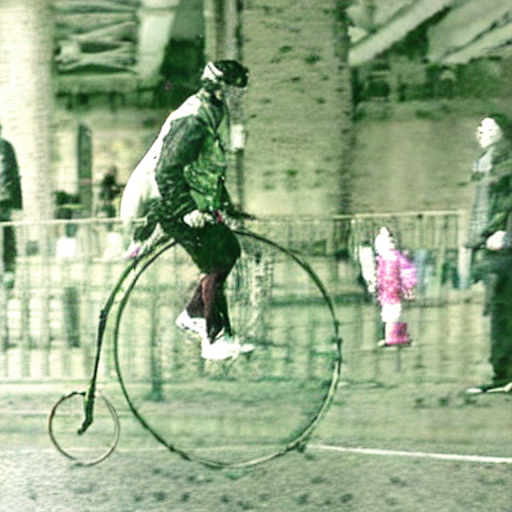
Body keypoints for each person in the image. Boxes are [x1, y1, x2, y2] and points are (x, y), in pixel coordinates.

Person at [122, 60, 253, 361]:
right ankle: (214, 337)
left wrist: (227, 207)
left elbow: (208, 170)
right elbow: (166, 170)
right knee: (216, 261)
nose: (239, 98)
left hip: (193, 204)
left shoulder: (215, 113)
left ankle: (194, 315)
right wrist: (186, 209)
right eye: (235, 90)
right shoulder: (194, 119)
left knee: (229, 251)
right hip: (172, 206)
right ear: (218, 88)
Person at [465, 114, 512, 394]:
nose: (482, 131)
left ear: (504, 132)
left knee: (504, 310)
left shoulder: (507, 163)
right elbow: (481, 209)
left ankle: (504, 373)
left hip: (505, 247)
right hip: (490, 245)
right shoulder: (485, 164)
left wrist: (507, 235)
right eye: (481, 127)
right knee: (499, 310)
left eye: (490, 127)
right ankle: (503, 373)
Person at [374, 227, 416, 347]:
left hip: (394, 291)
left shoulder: (393, 258)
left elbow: (406, 272)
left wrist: (408, 287)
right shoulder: (383, 259)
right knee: (390, 313)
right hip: (387, 292)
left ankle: (394, 336)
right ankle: (394, 336)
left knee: (393, 313)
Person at [0, 123, 23, 289]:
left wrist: (17, 204)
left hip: (4, 201)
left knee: (7, 234)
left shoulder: (6, 148)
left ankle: (9, 271)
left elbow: (14, 175)